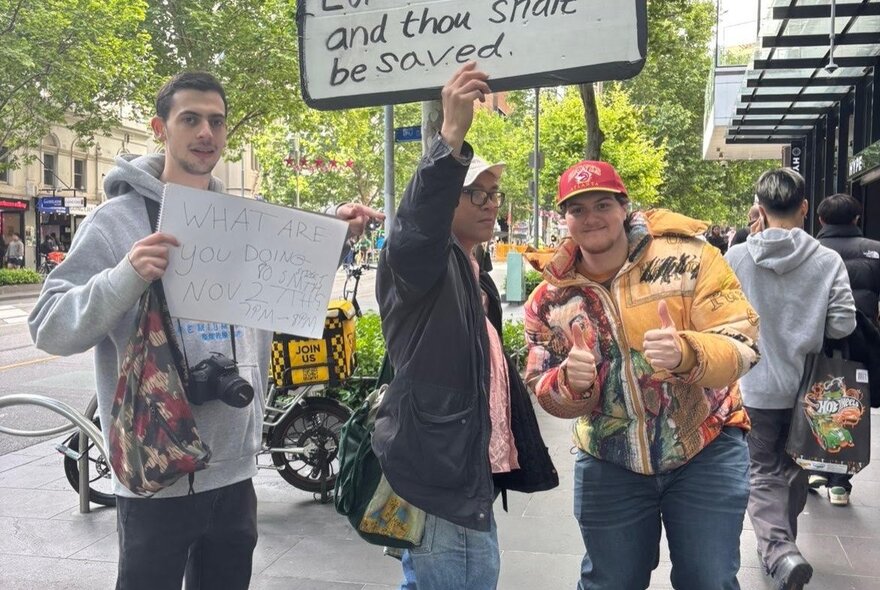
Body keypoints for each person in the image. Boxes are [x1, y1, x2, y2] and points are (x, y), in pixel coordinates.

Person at [28, 71, 382, 590]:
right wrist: (124, 275)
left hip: (235, 469)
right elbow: (49, 327)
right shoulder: (114, 222)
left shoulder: (240, 218)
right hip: (156, 473)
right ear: (159, 128)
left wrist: (332, 231)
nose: (205, 133)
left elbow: (283, 274)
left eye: (216, 122)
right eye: (190, 119)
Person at [525, 159, 760, 590]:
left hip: (705, 446)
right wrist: (570, 384)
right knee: (610, 582)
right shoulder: (550, 297)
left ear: (624, 206)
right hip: (608, 459)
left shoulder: (691, 258)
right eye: (577, 209)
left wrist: (687, 352)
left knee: (709, 579)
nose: (591, 218)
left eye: (602, 204)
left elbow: (742, 342)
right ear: (565, 218)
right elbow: (542, 384)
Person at [375, 62, 558, 590]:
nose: (489, 204)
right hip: (442, 473)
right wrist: (449, 139)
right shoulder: (419, 263)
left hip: (463, 468)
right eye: (474, 193)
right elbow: (413, 228)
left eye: (494, 194)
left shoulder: (472, 269)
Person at [725, 168, 856, 590]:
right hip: (809, 390)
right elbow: (842, 325)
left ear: (758, 210)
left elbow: (720, 321)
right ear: (804, 208)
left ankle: (779, 550)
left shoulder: (737, 257)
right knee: (797, 467)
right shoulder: (826, 259)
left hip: (752, 386)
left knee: (761, 471)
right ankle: (785, 548)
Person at [806, 192, 880, 506]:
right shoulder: (875, 251)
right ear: (856, 219)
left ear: (820, 219)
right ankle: (840, 483)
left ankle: (813, 466)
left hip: (816, 338)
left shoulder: (810, 250)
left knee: (814, 399)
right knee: (852, 405)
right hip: (861, 341)